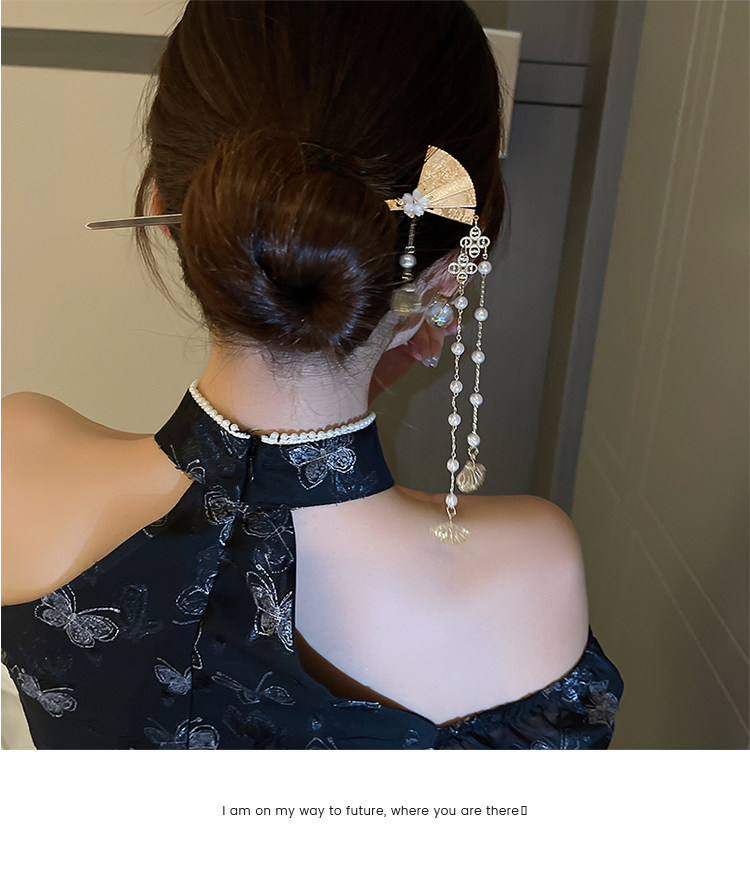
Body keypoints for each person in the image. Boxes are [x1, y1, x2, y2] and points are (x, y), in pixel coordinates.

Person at [1, 0, 622, 749]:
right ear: (453, 268)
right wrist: (359, 345)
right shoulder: (531, 570)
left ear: (167, 213)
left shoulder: (18, 458)